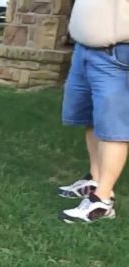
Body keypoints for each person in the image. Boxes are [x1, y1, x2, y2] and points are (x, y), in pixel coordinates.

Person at [57, 0, 129, 223]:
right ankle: (95, 179)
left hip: (116, 55)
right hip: (84, 50)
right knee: (91, 117)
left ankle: (102, 200)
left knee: (113, 127)